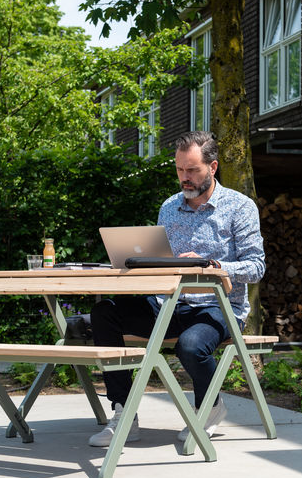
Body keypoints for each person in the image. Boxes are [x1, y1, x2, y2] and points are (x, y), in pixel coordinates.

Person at [88, 130, 266, 447]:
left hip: (220, 307)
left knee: (191, 344)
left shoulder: (240, 208)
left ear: (212, 168)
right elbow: (161, 261)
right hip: (168, 304)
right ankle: (124, 414)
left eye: (192, 170)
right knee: (105, 313)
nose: (184, 177)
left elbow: (256, 267)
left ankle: (209, 407)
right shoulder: (170, 207)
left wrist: (212, 265)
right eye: (180, 169)